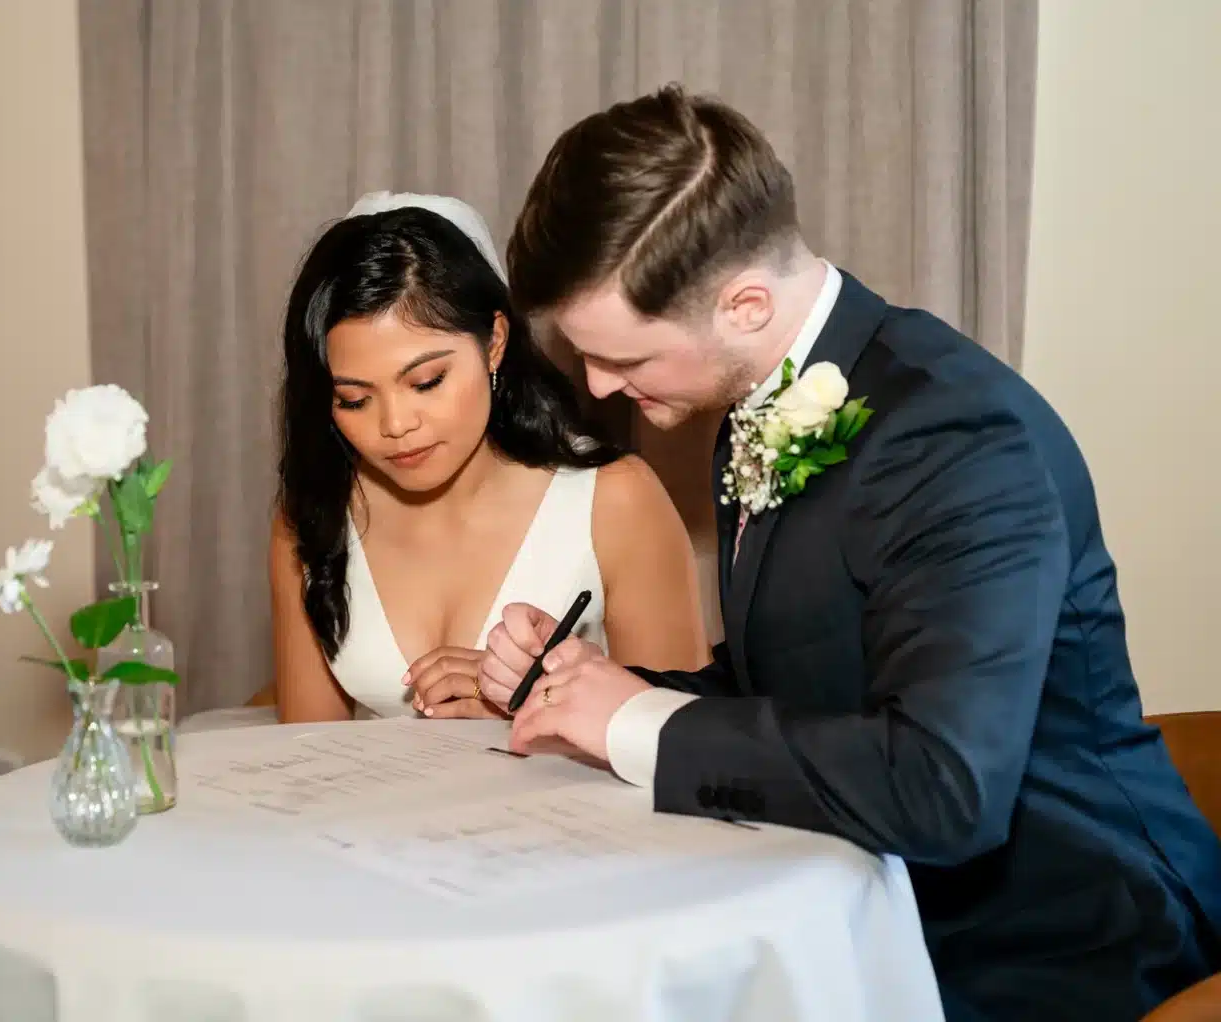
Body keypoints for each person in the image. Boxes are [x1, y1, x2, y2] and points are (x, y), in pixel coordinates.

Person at [475, 86, 1221, 1021]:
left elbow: (944, 786)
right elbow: (805, 696)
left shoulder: (956, 434)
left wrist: (640, 725)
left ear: (745, 304)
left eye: (625, 359)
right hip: (882, 907)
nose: (598, 387)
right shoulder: (758, 398)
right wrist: (596, 688)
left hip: (1069, 940)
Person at [269, 191, 707, 725]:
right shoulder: (314, 518)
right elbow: (307, 763)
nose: (395, 425)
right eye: (354, 399)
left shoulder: (614, 499)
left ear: (495, 342)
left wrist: (525, 709)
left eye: (427, 382)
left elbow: (683, 737)